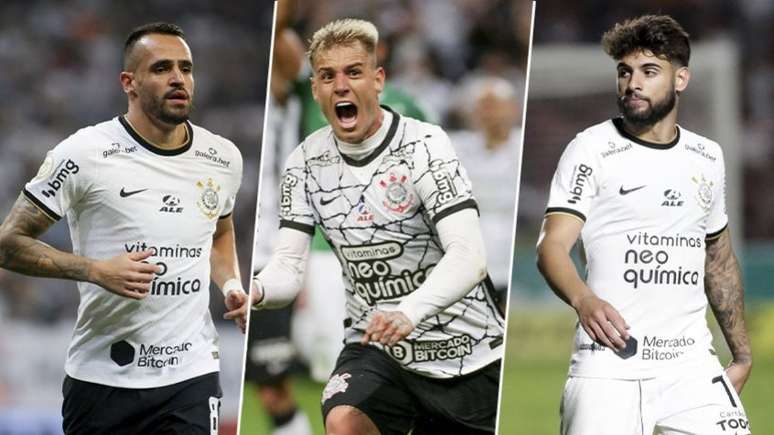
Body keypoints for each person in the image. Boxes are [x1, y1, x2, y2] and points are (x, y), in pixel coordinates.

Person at [251, 18, 504, 435]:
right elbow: (288, 265)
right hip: (376, 347)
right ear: (315, 88)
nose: (341, 85)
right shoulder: (304, 162)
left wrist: (409, 312)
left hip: (466, 349)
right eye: (328, 76)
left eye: (354, 72)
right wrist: (258, 290)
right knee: (345, 420)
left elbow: (469, 257)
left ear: (378, 79)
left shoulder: (425, 145)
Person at [0, 22, 247, 434]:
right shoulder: (84, 153)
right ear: (128, 83)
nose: (178, 79)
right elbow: (8, 244)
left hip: (191, 374)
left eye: (186, 68)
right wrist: (95, 270)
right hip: (102, 378)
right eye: (162, 68)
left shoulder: (223, 157)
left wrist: (232, 283)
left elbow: (219, 231)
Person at [536, 15, 752, 435]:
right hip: (608, 366)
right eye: (624, 72)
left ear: (681, 78)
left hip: (692, 366)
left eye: (649, 71)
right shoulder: (591, 149)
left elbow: (719, 259)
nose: (632, 83)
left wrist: (741, 355)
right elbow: (552, 246)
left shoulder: (707, 157)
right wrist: (584, 300)